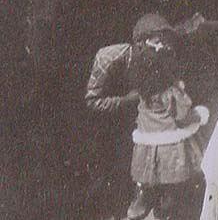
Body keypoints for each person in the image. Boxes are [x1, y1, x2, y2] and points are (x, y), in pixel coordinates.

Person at [84, 13, 205, 220]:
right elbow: (93, 100)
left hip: (147, 126)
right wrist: (127, 100)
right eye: (156, 42)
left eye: (164, 43)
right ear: (140, 44)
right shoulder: (112, 58)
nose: (161, 47)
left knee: (155, 187)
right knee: (135, 182)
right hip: (119, 122)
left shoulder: (161, 60)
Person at [128, 26, 209, 220]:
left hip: (147, 148)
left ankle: (140, 205)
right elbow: (183, 117)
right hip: (172, 151)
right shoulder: (172, 93)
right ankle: (165, 211)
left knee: (149, 183)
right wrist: (199, 115)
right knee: (171, 189)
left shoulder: (144, 98)